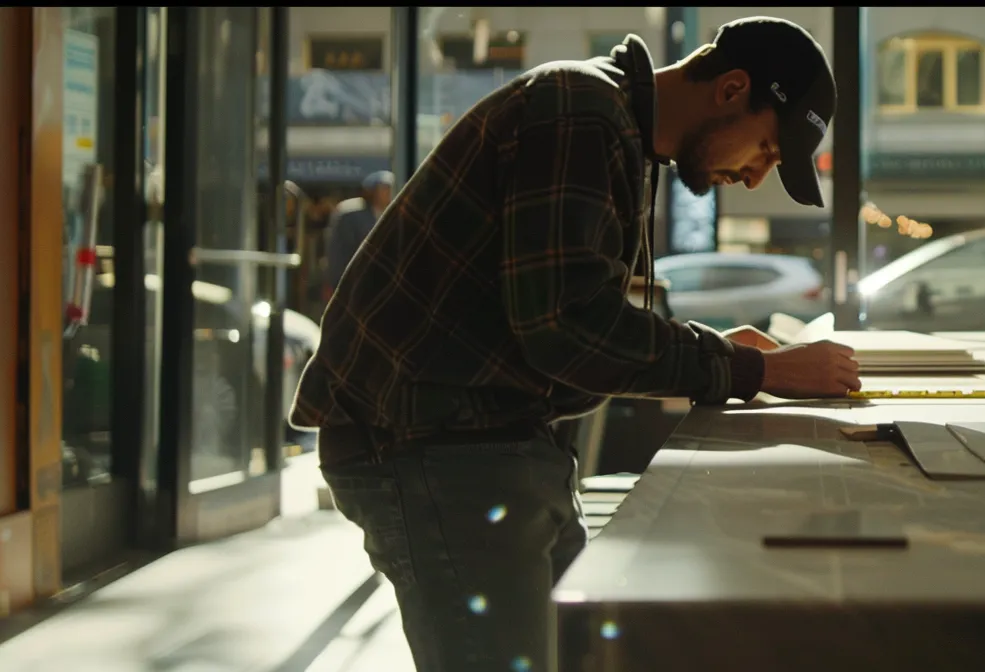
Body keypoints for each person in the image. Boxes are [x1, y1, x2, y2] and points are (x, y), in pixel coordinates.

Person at [288, 17, 859, 670]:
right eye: (765, 149)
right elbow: (568, 328)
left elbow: (564, 321)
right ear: (732, 89)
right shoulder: (579, 111)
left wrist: (730, 357)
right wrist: (750, 368)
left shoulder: (611, 124)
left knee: (578, 656)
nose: (756, 177)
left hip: (486, 438)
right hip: (433, 446)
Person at [323, 170, 394, 300]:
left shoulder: (393, 214)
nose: (389, 193)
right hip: (355, 283)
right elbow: (339, 252)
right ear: (372, 191)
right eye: (384, 188)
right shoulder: (350, 214)